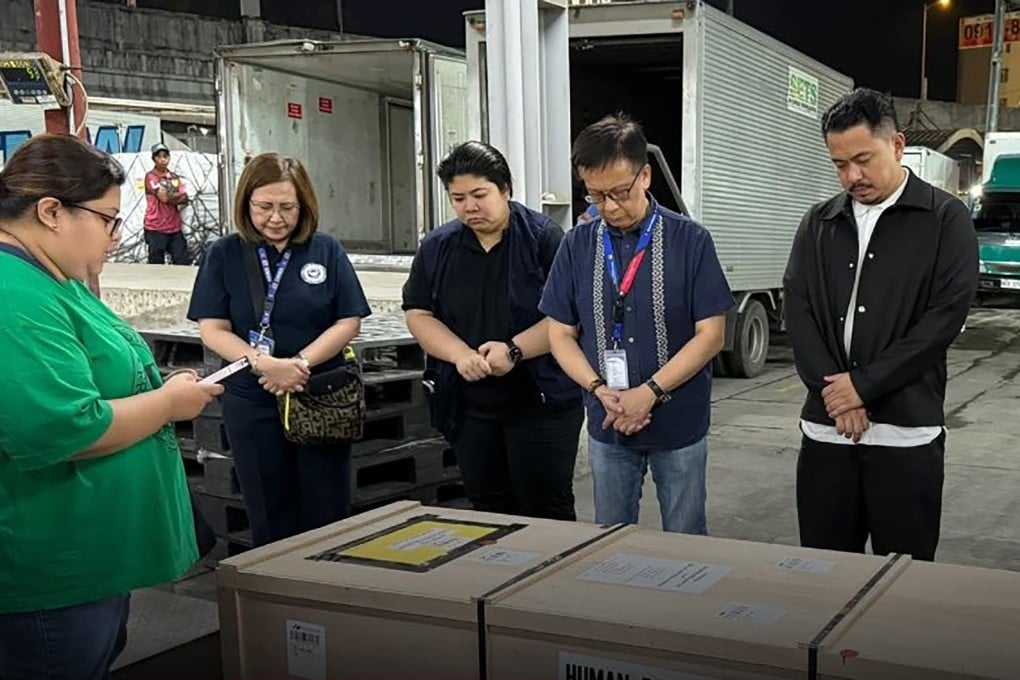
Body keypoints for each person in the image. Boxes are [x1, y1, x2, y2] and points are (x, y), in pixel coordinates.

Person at [0, 134, 222, 680]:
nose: (114, 235)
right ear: (51, 212)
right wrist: (169, 403)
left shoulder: (53, 278)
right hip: (52, 565)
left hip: (93, 554)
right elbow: (63, 427)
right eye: (107, 220)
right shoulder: (13, 295)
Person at [783, 88, 978, 562]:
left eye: (863, 160)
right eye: (839, 164)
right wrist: (837, 392)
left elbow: (943, 320)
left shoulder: (944, 219)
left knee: (904, 578)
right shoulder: (819, 222)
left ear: (896, 145)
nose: (852, 176)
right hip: (828, 434)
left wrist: (864, 387)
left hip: (904, 434)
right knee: (824, 570)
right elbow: (799, 308)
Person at [540, 114, 733, 534]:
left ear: (645, 175)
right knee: (608, 541)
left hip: (677, 422)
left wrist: (650, 392)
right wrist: (598, 389)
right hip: (608, 422)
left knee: (686, 539)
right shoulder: (577, 244)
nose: (609, 207)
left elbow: (711, 334)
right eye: (595, 195)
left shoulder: (691, 241)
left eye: (620, 193)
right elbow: (560, 333)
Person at [188, 153, 371, 547]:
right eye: (264, 207)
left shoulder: (326, 250)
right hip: (253, 399)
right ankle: (277, 600)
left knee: (328, 512)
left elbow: (348, 320)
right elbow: (213, 328)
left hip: (320, 395)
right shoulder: (224, 253)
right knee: (270, 512)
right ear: (246, 204)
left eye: (287, 207)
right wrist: (264, 364)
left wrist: (299, 364)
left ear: (303, 205)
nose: (275, 217)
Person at [402, 141, 583, 520]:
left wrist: (514, 351)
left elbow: (569, 316)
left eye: (479, 195)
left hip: (541, 401)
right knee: (487, 508)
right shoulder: (437, 248)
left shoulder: (543, 239)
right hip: (470, 405)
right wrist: (460, 355)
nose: (470, 207)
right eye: (458, 198)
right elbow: (419, 313)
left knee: (546, 508)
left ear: (505, 190)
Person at [143, 142, 192, 265]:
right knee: (156, 265)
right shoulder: (151, 177)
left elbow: (185, 197)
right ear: (154, 159)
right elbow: (164, 198)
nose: (163, 159)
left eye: (165, 156)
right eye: (159, 156)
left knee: (182, 261)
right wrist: (174, 196)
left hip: (174, 227)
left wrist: (171, 197)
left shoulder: (174, 177)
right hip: (156, 227)